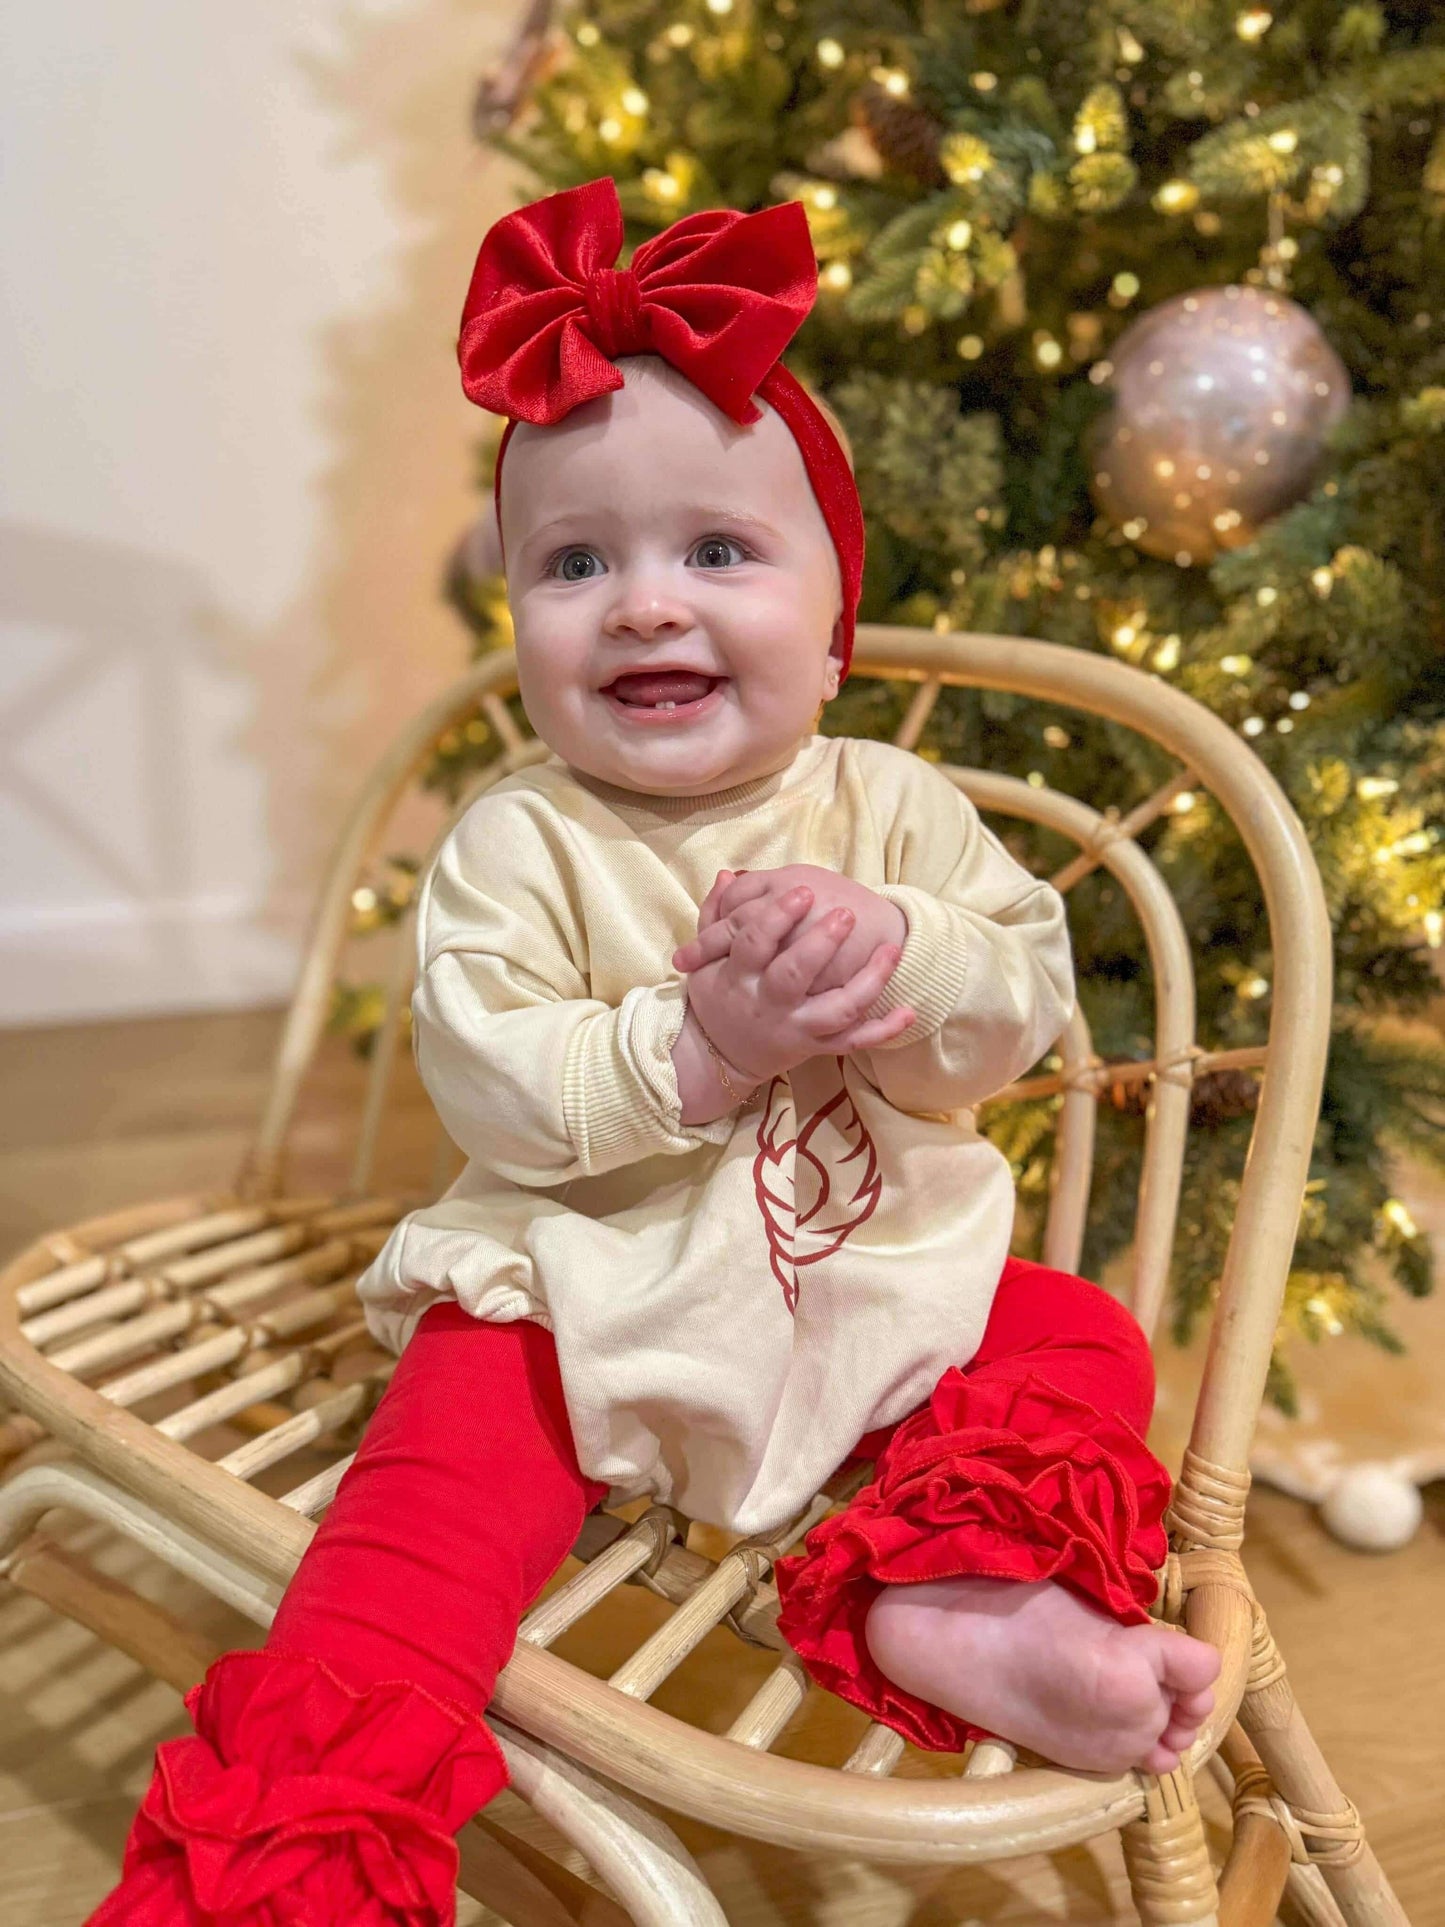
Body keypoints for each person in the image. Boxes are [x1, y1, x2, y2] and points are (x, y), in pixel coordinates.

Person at [89, 176, 1218, 1927]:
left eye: (716, 550)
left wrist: (900, 955)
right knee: (416, 1530)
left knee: (1070, 1331)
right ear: (522, 622)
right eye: (574, 562)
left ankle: (960, 1595)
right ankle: (304, 1849)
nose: (641, 606)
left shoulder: (891, 803)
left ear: (832, 614)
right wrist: (697, 1044)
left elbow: (1014, 1005)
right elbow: (493, 1081)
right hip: (578, 1290)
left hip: (862, 1281)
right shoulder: (516, 841)